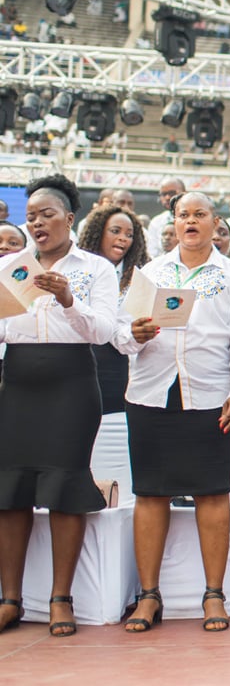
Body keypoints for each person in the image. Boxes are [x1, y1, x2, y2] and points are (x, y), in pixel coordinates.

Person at [117, 192, 230, 633]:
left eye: (199, 214)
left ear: (216, 223)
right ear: (174, 223)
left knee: (212, 492)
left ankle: (214, 595)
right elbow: (122, 336)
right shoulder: (151, 273)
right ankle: (147, 597)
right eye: (183, 215)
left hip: (210, 396)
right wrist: (135, 334)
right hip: (151, 394)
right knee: (150, 493)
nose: (191, 221)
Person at [0, 175, 119, 637]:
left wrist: (69, 299)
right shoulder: (11, 266)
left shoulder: (96, 269)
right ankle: (10, 599)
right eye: (30, 216)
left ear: (70, 218)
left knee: (65, 489)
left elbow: (105, 331)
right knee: (9, 492)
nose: (36, 222)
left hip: (72, 383)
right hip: (19, 382)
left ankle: (60, 598)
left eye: (46, 214)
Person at [78, 206, 149, 415]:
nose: (123, 239)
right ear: (98, 231)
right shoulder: (79, 270)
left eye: (129, 235)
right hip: (77, 362)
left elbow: (126, 333)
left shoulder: (139, 279)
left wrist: (136, 333)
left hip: (116, 368)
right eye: (115, 231)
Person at [146, 177, 184, 257]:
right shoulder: (156, 222)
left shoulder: (194, 220)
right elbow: (152, 254)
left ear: (184, 193)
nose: (167, 198)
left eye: (172, 193)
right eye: (163, 194)